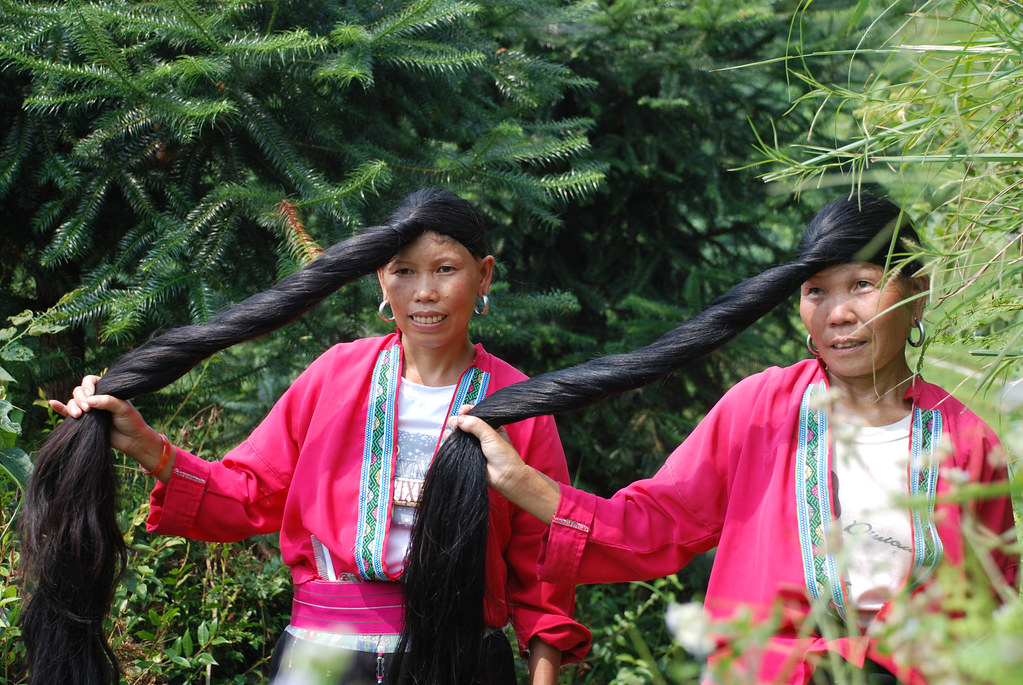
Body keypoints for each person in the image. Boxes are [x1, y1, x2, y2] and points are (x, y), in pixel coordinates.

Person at [441, 195, 1018, 684]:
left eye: (863, 285)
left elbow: (990, 614)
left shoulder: (967, 442)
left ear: (917, 292)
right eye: (816, 291)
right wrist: (519, 480)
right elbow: (652, 526)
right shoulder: (762, 409)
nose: (839, 313)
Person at [38, 188, 591, 685]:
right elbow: (247, 494)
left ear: (484, 276)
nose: (425, 292)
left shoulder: (522, 404)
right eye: (403, 271)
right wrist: (145, 445)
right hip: (323, 660)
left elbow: (545, 568)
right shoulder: (335, 376)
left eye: (446, 269)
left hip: (461, 662)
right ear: (381, 280)